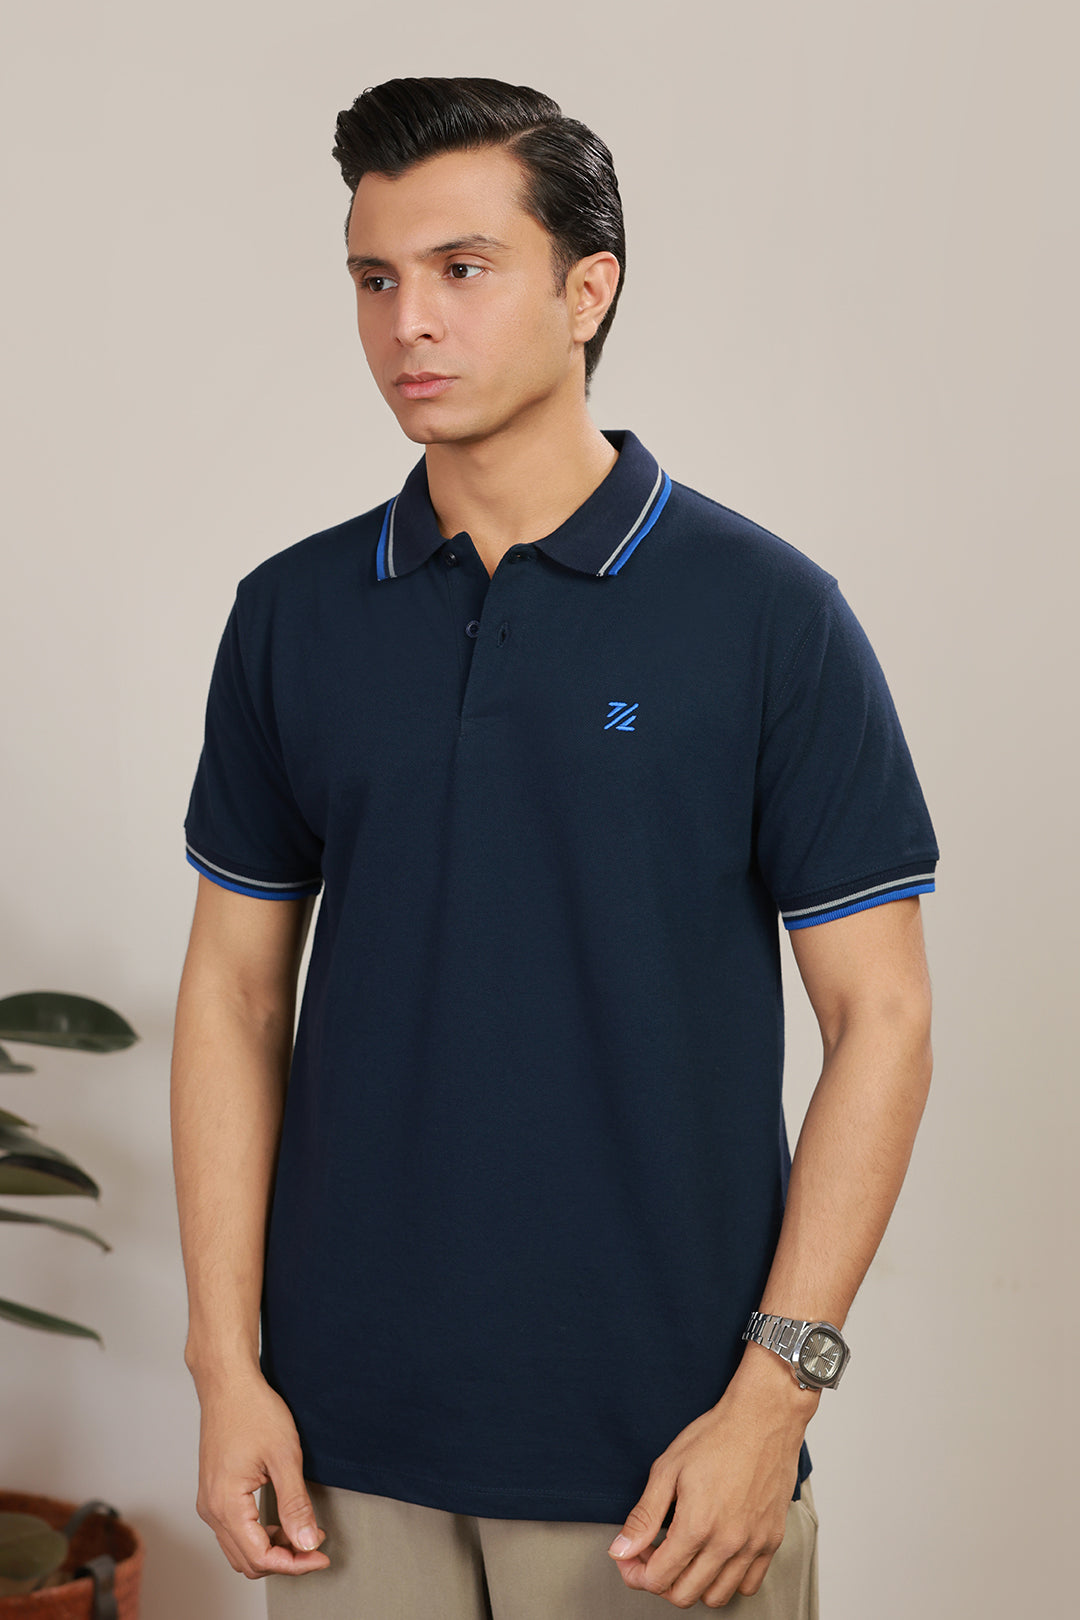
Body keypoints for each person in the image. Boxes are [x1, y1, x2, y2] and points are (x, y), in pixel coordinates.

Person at [170, 76, 938, 1618]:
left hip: (665, 1458)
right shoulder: (292, 615)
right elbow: (236, 997)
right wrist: (225, 1367)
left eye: (462, 269)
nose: (408, 323)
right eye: (373, 278)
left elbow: (885, 1018)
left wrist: (773, 1400)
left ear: (589, 291)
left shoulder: (766, 614)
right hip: (341, 1446)